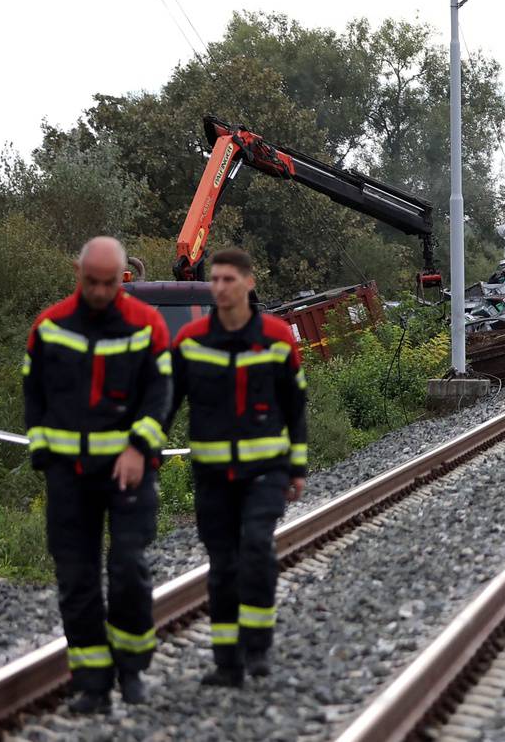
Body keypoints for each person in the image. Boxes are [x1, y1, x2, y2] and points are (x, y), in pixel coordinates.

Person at [23, 236, 171, 714]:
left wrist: (138, 446)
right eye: (93, 282)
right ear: (78, 274)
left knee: (128, 567)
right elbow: (34, 396)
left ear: (123, 278)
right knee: (76, 578)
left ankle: (131, 671)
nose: (102, 291)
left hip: (128, 471)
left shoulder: (145, 324)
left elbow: (160, 395)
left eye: (111, 283)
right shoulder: (49, 327)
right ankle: (91, 682)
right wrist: (46, 456)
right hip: (69, 476)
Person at [167, 247, 308, 687]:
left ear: (249, 283)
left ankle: (258, 647)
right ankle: (227, 662)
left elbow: (295, 406)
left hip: (266, 472)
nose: (221, 287)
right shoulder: (191, 341)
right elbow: (166, 404)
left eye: (229, 279)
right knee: (223, 565)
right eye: (216, 279)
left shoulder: (276, 336)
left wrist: (297, 467)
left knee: (256, 551)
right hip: (212, 477)